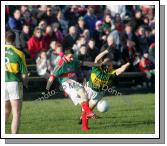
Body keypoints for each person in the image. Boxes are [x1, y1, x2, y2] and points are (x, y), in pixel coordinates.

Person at [46, 49, 101, 131]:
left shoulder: (73, 60)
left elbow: (85, 63)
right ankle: (89, 112)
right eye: (70, 57)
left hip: (72, 82)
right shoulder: (61, 64)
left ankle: (84, 127)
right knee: (83, 94)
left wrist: (96, 65)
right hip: (66, 83)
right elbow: (51, 77)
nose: (72, 59)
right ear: (64, 56)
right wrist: (47, 89)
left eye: (72, 57)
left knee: (85, 98)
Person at [78, 49, 131, 124]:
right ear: (105, 65)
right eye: (109, 64)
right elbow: (121, 69)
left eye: (111, 63)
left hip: (96, 92)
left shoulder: (103, 70)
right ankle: (83, 120)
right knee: (86, 108)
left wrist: (106, 51)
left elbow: (97, 58)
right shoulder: (104, 72)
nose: (111, 65)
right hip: (92, 90)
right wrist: (128, 63)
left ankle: (82, 118)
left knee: (88, 108)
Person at [5, 30, 28, 134]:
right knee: (16, 113)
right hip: (14, 83)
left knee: (5, 111)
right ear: (15, 39)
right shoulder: (19, 53)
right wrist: (25, 83)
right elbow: (24, 74)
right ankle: (14, 138)